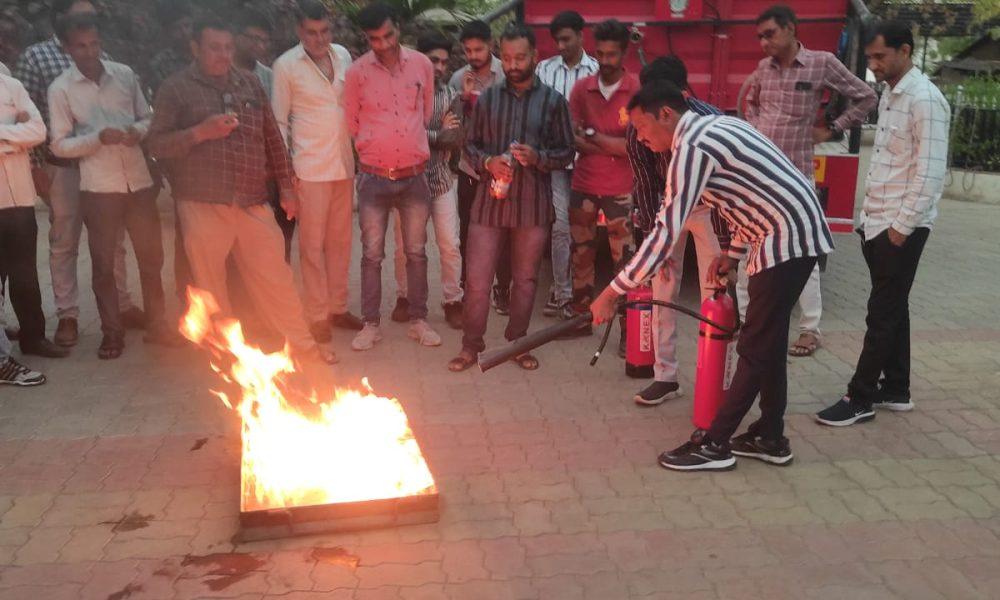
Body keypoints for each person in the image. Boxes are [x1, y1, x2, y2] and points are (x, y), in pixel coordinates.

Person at [590, 80, 833, 471]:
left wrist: (613, 290)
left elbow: (666, 230)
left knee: (754, 346)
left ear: (666, 114)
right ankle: (771, 436)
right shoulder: (714, 127)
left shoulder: (692, 146)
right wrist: (733, 254)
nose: (640, 138)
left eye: (643, 127)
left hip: (787, 238)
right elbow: (750, 192)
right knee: (767, 342)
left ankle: (715, 444)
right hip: (787, 231)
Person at [147, 16, 336, 365]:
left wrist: (287, 187)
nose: (222, 55)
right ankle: (228, 360)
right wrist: (199, 133)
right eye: (214, 48)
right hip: (203, 203)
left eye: (228, 48)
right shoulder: (176, 88)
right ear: (196, 49)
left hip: (252, 200)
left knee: (277, 279)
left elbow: (272, 138)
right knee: (210, 287)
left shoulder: (248, 83)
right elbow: (155, 143)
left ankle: (304, 349)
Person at [816, 21, 949, 427]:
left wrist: (900, 228)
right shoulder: (892, 93)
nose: (872, 65)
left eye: (879, 56)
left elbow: (929, 173)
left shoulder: (926, 100)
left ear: (905, 51)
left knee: (882, 312)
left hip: (900, 226)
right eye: (870, 57)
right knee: (893, 307)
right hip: (879, 221)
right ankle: (896, 388)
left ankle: (859, 397)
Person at [743, 4, 876, 358]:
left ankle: (810, 329)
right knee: (748, 248)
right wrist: (757, 129)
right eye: (759, 36)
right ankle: (745, 322)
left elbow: (866, 96)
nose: (763, 43)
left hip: (797, 176)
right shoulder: (762, 69)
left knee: (804, 253)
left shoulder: (821, 63)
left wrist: (833, 129)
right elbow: (749, 104)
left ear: (790, 29)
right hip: (760, 175)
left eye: (769, 34)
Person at [48, 14, 182, 359]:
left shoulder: (123, 75)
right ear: (66, 48)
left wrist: (139, 131)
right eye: (81, 46)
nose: (90, 52)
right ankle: (112, 332)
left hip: (137, 180)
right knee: (104, 265)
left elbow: (149, 115)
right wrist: (96, 139)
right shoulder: (60, 89)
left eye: (94, 43)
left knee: (151, 258)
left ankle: (158, 325)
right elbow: (58, 145)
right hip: (99, 187)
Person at [14, 0, 142, 348]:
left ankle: (122, 305)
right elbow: (26, 114)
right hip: (63, 167)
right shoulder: (35, 57)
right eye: (77, 16)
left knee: (111, 240)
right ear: (61, 20)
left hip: (103, 167)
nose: (85, 23)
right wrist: (34, 165)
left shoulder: (103, 54)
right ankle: (68, 315)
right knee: (64, 241)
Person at [447, 23, 574, 373]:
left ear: (534, 56)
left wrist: (539, 158)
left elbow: (566, 151)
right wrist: (488, 161)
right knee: (477, 279)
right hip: (489, 204)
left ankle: (518, 343)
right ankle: (471, 346)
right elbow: (468, 144)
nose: (514, 64)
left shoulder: (554, 102)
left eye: (521, 57)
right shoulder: (488, 99)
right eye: (508, 57)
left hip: (532, 205)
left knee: (526, 279)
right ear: (501, 56)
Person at [626, 56, 725, 406]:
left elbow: (730, 188)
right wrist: (660, 242)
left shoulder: (711, 121)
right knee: (661, 290)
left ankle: (719, 378)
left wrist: (729, 248)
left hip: (711, 208)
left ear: (678, 95)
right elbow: (644, 181)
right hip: (669, 209)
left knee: (716, 293)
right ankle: (665, 376)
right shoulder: (642, 122)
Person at [344, 2, 440, 351]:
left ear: (398, 28)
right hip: (373, 178)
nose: (383, 44)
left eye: (388, 35)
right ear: (365, 38)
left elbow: (426, 113)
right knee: (371, 255)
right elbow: (352, 123)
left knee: (416, 252)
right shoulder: (356, 74)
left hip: (414, 176)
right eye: (374, 39)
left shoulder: (422, 65)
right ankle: (371, 324)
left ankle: (419, 320)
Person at [272, 0, 361, 342]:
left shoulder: (343, 56)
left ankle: (338, 307)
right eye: (312, 33)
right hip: (308, 169)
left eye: (325, 31)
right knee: (311, 246)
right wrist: (287, 176)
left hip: (343, 165)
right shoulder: (286, 66)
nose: (319, 39)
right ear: (300, 31)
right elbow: (279, 122)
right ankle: (317, 314)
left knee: (340, 243)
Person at [565, 19, 637, 335]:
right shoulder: (582, 89)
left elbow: (636, 146)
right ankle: (582, 320)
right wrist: (613, 145)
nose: (606, 61)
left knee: (626, 263)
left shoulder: (637, 91)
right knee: (581, 256)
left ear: (624, 53)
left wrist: (595, 138)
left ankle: (628, 330)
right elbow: (572, 137)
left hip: (622, 189)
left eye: (612, 55)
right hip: (584, 185)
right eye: (601, 54)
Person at [391, 32, 464, 330]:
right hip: (408, 181)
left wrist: (423, 134)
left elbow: (456, 137)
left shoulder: (452, 96)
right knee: (405, 246)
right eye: (434, 60)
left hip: (441, 180)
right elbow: (401, 135)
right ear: (420, 60)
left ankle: (452, 300)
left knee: (449, 243)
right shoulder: (401, 93)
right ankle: (405, 298)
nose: (440, 67)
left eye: (445, 62)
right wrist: (436, 135)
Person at [0, 59, 68, 359]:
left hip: (20, 200)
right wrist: (15, 135)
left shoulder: (11, 85)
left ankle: (33, 337)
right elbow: (25, 131)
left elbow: (38, 130)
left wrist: (8, 137)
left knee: (25, 272)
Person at [535, 10, 598, 318]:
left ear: (580, 36)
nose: (560, 45)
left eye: (566, 39)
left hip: (589, 163)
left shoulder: (598, 73)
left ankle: (580, 291)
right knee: (560, 226)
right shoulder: (544, 71)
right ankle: (561, 292)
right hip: (557, 163)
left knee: (583, 229)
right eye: (556, 40)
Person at [448, 19, 510, 318]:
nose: (473, 55)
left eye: (479, 49)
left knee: (506, 231)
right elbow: (453, 128)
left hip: (502, 168)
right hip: (470, 169)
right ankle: (466, 288)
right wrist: (463, 98)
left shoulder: (507, 73)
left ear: (491, 45)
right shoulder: (458, 78)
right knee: (468, 231)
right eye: (468, 50)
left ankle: (503, 288)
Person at [147, 0, 194, 95]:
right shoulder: (160, 64)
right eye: (177, 28)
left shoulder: (207, 54)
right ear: (168, 32)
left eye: (187, 25)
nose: (184, 32)